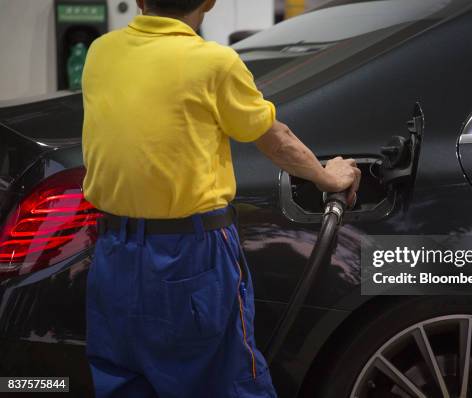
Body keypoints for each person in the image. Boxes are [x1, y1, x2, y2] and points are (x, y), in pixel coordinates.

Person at [81, 0, 361, 397]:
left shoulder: (101, 52)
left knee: (125, 381)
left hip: (113, 254)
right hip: (189, 256)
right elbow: (275, 139)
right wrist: (327, 176)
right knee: (227, 381)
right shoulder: (213, 64)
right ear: (209, 1)